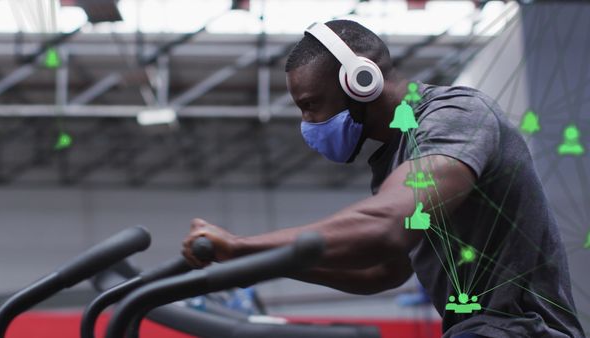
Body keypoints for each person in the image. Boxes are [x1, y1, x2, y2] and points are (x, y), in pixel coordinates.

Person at [182, 20, 584, 338]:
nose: (307, 123)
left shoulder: (456, 115)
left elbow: (388, 226)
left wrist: (242, 245)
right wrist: (248, 258)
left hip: (525, 330)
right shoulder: (393, 159)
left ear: (361, 80)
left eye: (310, 106)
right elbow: (382, 271)